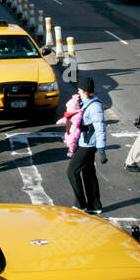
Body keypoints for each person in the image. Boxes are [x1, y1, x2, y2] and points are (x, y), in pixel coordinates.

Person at [68, 76, 108, 214]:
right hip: (83, 142)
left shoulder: (95, 106)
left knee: (72, 171)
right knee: (88, 173)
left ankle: (80, 204)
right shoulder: (84, 102)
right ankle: (94, 205)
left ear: (85, 90)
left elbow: (100, 128)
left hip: (88, 144)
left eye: (79, 90)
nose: (78, 92)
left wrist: (101, 149)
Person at [57, 91, 83, 158]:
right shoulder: (70, 113)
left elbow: (76, 121)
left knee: (72, 140)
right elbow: (65, 119)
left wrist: (74, 125)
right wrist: (61, 121)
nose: (67, 109)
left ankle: (71, 150)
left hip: (74, 130)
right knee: (67, 136)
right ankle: (70, 145)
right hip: (69, 128)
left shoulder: (77, 114)